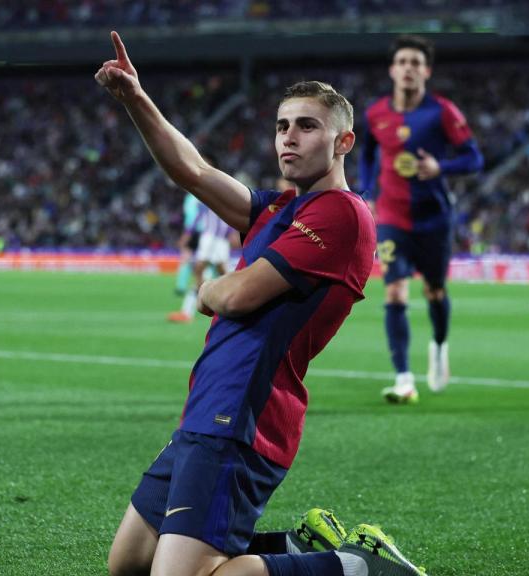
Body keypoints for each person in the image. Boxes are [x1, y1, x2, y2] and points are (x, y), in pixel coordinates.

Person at [96, 32, 424, 576]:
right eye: (282, 126)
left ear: (343, 143)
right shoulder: (280, 210)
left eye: (307, 126)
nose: (288, 138)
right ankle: (298, 550)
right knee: (129, 563)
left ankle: (356, 567)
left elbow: (237, 295)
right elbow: (193, 172)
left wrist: (203, 290)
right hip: (206, 409)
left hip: (246, 416)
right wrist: (135, 97)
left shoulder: (340, 214)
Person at [359, 34, 484, 404]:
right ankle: (403, 377)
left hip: (434, 219)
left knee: (435, 291)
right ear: (392, 70)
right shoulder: (376, 113)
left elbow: (474, 158)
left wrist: (440, 166)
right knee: (395, 290)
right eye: (403, 62)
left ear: (426, 71)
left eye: (416, 62)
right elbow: (366, 154)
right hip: (393, 218)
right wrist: (367, 194)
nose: (409, 68)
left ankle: (440, 346)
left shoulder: (443, 111)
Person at [168, 201, 237, 323]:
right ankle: (187, 311)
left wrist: (232, 233)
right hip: (210, 238)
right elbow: (197, 218)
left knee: (220, 273)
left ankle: (229, 304)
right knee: (203, 271)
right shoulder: (208, 201)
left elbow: (230, 219)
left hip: (219, 240)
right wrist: (187, 235)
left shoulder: (220, 199)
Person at [173, 192, 203, 297]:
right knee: (204, 261)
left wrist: (186, 234)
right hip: (203, 231)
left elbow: (191, 217)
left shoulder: (190, 198)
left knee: (186, 257)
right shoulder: (203, 195)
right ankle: (200, 285)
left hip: (192, 231)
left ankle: (181, 287)